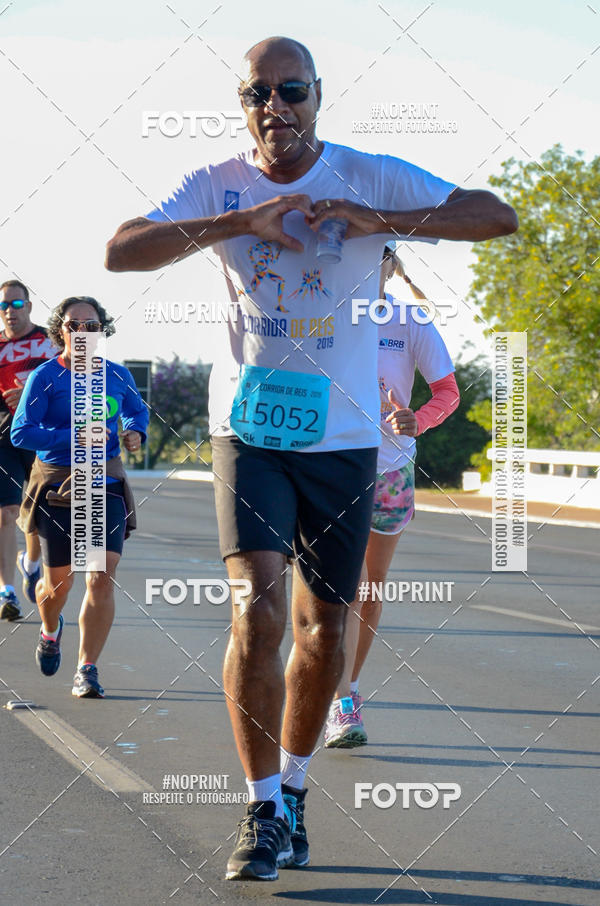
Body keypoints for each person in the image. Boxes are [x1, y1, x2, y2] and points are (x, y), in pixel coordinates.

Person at [105, 35, 517, 881]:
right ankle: (259, 810)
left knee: (323, 629)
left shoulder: (366, 174)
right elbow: (122, 248)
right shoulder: (219, 181)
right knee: (253, 614)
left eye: (292, 90)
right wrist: (234, 223)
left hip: (346, 439)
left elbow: (494, 214)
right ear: (243, 102)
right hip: (249, 431)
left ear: (318, 96)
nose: (275, 107)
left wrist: (384, 221)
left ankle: (293, 791)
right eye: (259, 93)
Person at [324, 246, 460, 747]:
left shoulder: (408, 320)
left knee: (369, 591)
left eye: (378, 251)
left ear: (389, 263)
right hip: (330, 466)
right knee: (336, 586)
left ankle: (348, 689)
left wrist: (416, 419)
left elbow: (447, 391)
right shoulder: (321, 313)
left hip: (390, 470)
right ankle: (335, 698)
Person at [11, 296, 149, 697]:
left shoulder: (118, 376)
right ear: (60, 332)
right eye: (75, 326)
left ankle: (86, 669)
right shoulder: (45, 377)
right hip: (57, 486)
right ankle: (50, 629)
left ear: (101, 331)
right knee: (58, 587)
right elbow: (22, 432)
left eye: (91, 326)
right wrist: (75, 436)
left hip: (104, 482)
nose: (83, 333)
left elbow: (136, 412)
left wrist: (134, 431)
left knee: (101, 577)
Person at [0, 280, 56, 621]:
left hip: (41, 439)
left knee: (35, 518)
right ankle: (6, 591)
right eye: (3, 305)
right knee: (5, 514)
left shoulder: (49, 343)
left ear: (30, 307)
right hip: (3, 439)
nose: (9, 311)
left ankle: (30, 561)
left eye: (16, 304)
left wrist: (30, 399)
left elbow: (68, 390)